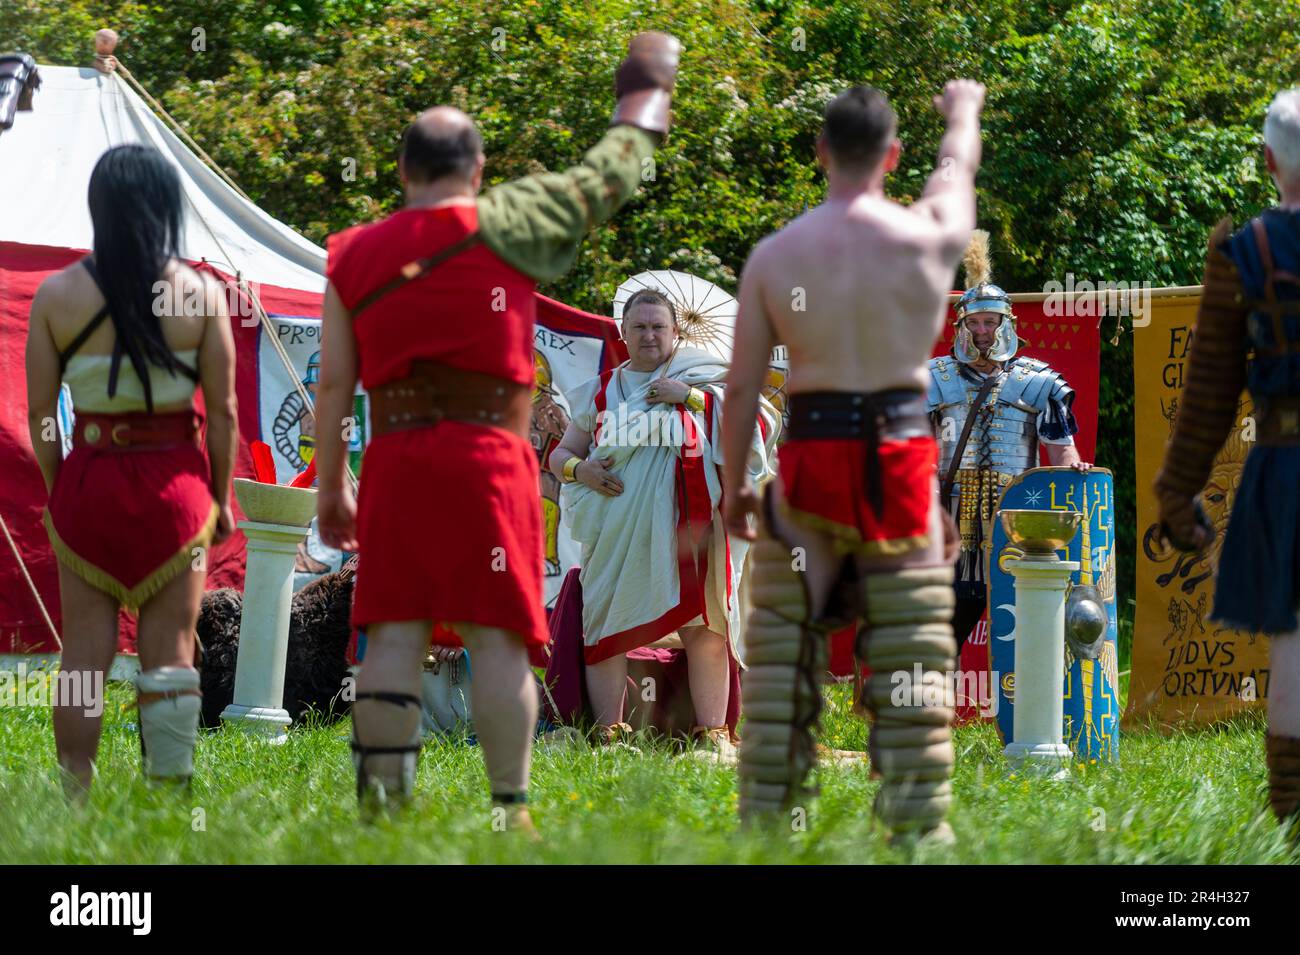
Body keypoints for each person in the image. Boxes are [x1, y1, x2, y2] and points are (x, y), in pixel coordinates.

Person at [314, 33, 680, 829]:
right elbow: (608, 174)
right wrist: (646, 91)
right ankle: (509, 809)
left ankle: (380, 810)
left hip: (400, 458)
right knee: (500, 636)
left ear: (405, 174)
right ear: (476, 173)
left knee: (392, 633)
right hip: (490, 458)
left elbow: (337, 384)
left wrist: (330, 484)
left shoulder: (354, 254)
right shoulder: (509, 221)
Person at [722, 81, 986, 841]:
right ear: (893, 156)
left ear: (820, 152)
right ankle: (916, 833)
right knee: (911, 656)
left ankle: (767, 824)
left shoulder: (777, 254)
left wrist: (739, 483)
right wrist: (962, 112)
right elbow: (956, 173)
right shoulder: (928, 235)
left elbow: (741, 388)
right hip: (899, 457)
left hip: (811, 461)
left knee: (779, 653)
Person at [25, 144, 237, 793]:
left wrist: (64, 488)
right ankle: (168, 796)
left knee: (84, 657)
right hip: (175, 494)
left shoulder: (57, 294)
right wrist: (221, 499)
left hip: (89, 484)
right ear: (165, 205)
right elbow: (224, 412)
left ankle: (75, 794)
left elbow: (40, 418)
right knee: (172, 650)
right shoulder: (200, 293)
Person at [1154, 87, 1300, 843]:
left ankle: (1294, 831)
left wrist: (1177, 492)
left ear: (1270, 161)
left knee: (1295, 651)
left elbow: (1208, 393)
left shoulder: (1244, 253)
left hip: (1287, 471)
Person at [548, 288, 779, 756]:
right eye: (639, 326)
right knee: (606, 626)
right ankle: (610, 733)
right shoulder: (602, 389)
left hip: (690, 527)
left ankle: (711, 735)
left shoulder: (704, 379)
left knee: (704, 624)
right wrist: (582, 470)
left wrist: (690, 398)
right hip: (617, 529)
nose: (649, 334)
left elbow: (756, 426)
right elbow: (561, 454)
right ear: (623, 332)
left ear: (677, 332)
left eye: (658, 326)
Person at [928, 231, 1089, 655]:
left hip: (1018, 513)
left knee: (1026, 614)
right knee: (950, 616)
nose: (982, 332)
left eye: (990, 322)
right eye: (974, 323)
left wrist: (1075, 472)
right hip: (952, 514)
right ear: (961, 326)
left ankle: (1026, 712)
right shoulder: (933, 379)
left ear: (1006, 324)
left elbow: (1061, 449)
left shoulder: (1037, 382)